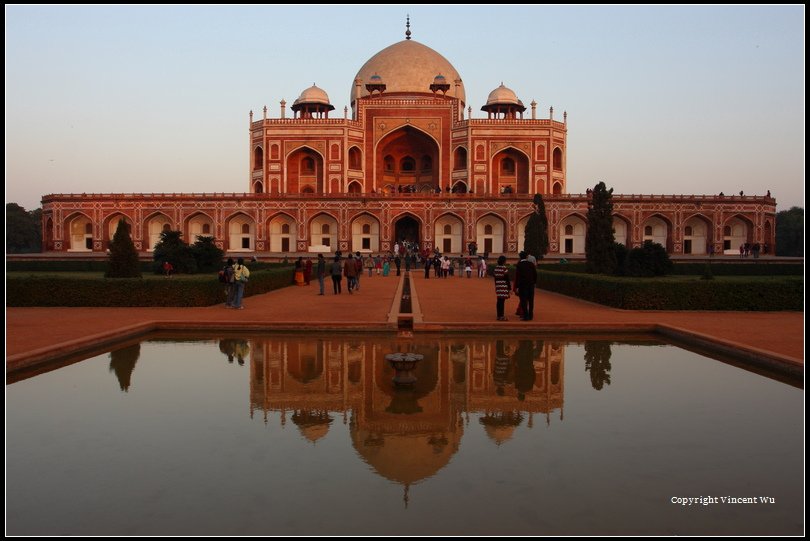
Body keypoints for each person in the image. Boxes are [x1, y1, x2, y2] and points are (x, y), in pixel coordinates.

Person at [514, 251, 537, 321]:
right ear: (527, 257)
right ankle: (531, 316)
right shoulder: (531, 264)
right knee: (531, 301)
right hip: (531, 285)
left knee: (523, 301)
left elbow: (517, 276)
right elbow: (535, 274)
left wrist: (517, 286)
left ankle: (526, 316)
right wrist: (534, 282)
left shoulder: (519, 265)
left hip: (522, 285)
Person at [493, 255, 511, 321]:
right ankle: (501, 316)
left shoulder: (496, 268)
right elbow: (507, 279)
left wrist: (496, 285)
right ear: (504, 261)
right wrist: (509, 288)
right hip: (503, 286)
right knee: (502, 301)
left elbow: (495, 278)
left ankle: (498, 315)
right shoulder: (504, 268)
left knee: (499, 301)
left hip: (498, 285)